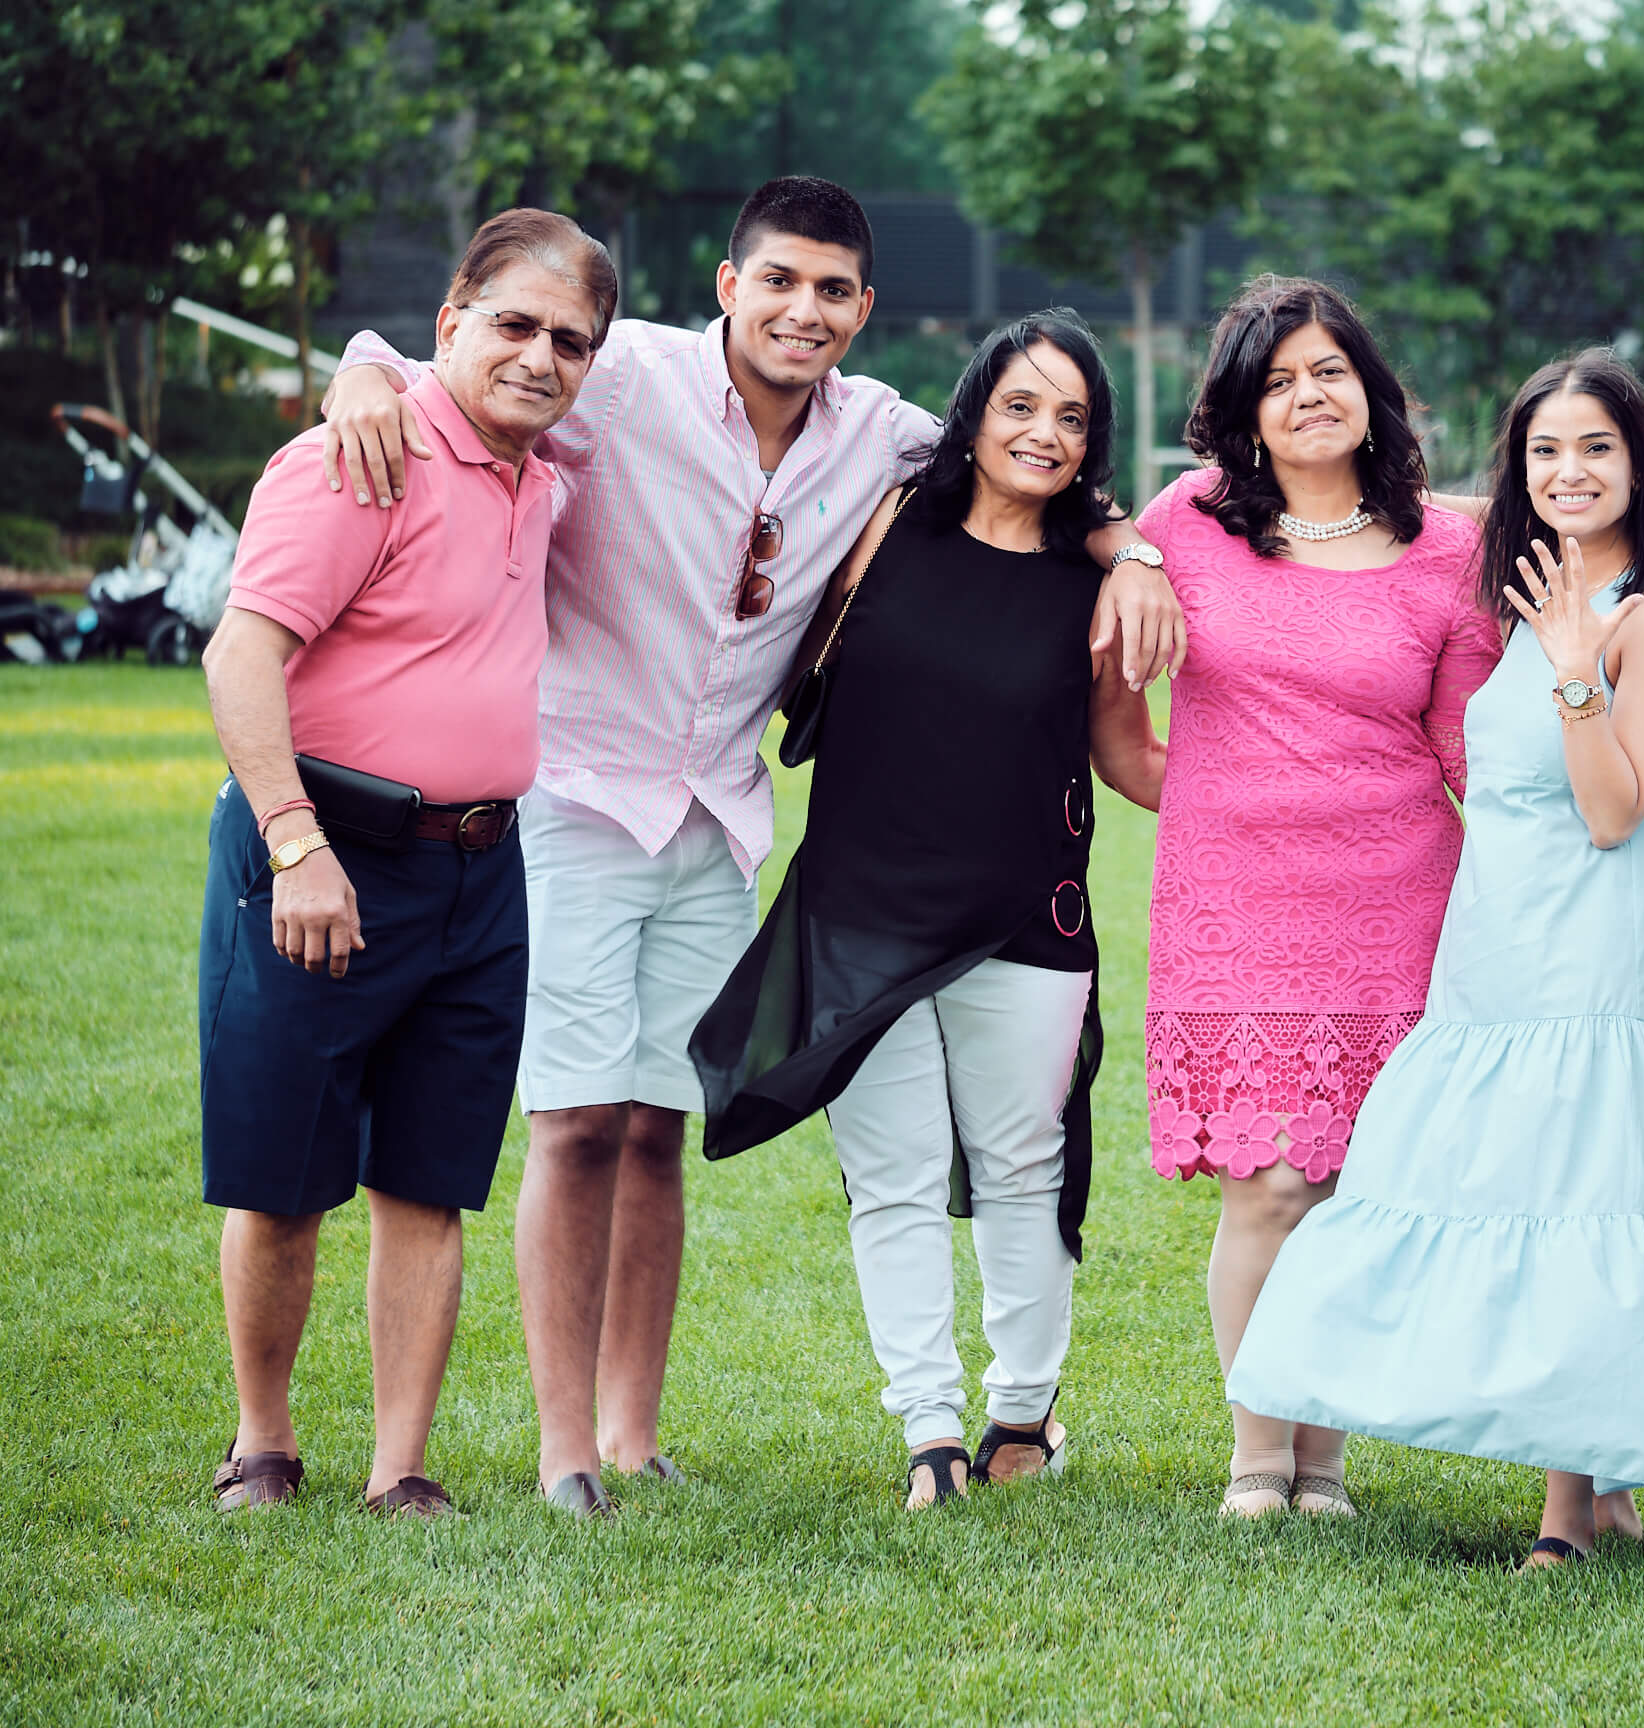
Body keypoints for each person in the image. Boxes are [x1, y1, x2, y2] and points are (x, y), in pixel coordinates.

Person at [319, 179, 1183, 1516]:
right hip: (583, 799)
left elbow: (1031, 440)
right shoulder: (623, 378)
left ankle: (633, 1433)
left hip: (718, 816)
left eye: (833, 290)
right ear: (730, 284)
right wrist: (361, 378)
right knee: (573, 1123)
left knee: (657, 1129)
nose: (804, 310)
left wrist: (1128, 545)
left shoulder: (880, 432)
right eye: (779, 280)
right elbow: (466, 362)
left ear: (862, 310)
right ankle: (562, 1457)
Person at [1226, 351, 1644, 1564]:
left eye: (1598, 447)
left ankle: (1569, 1518)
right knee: (1501, 1193)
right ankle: (1598, 1483)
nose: (1568, 471)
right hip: (1491, 940)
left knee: (1579, 1199)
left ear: (1638, 468)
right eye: (1546, 449)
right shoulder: (1522, 596)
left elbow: (1611, 811)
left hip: (1588, 955)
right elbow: (1383, 512)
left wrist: (1578, 672)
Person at [691, 311, 1164, 1507]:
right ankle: (929, 1431)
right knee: (891, 1175)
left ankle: (1021, 1413)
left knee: (1023, 1164)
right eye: (1020, 405)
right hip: (861, 906)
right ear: (973, 412)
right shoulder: (887, 521)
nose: (1043, 433)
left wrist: (1308, 784)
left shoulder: (1099, 573)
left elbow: (1128, 756)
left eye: (1071, 416)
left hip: (1029, 916)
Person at [197, 209, 608, 1519]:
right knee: (283, 1173)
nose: (540, 358)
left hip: (484, 872)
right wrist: (297, 843)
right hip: (325, 851)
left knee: (432, 1178)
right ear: (449, 324)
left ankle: (401, 1470)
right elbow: (240, 653)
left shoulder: (544, 482)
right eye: (513, 325)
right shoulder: (352, 459)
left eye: (570, 341)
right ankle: (263, 1443)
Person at [1131, 276, 1502, 1517]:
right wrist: (1124, 557)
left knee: (1348, 1191)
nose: (1307, 395)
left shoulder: (1448, 551)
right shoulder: (1184, 522)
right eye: (1279, 379)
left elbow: (1466, 753)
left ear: (1369, 390)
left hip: (1397, 901)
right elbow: (1079, 536)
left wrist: (1606, 777)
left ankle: (1325, 1461)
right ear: (1245, 408)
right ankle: (1256, 1460)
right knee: (1267, 1182)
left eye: (1327, 371)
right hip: (1233, 904)